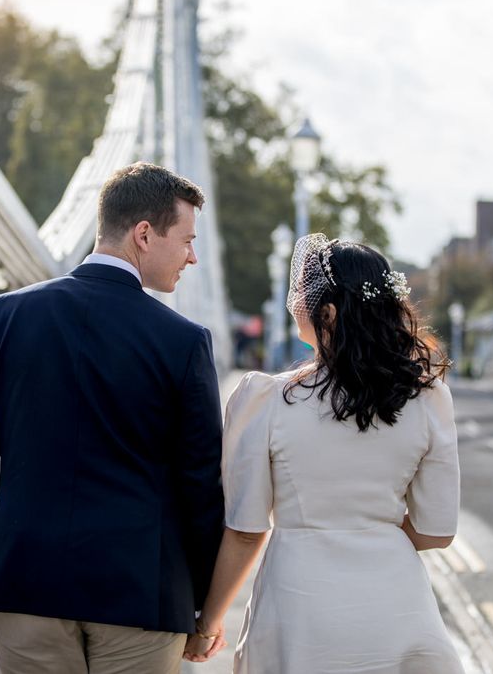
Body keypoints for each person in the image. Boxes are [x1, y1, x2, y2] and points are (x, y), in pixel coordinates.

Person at [0, 162, 225, 674]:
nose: (193, 256)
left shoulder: (3, 317)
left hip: (27, 582)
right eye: (186, 240)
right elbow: (200, 484)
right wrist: (204, 604)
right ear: (143, 235)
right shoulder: (183, 341)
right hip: (142, 592)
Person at [185, 234, 464, 673]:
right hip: (396, 606)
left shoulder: (267, 400)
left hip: (300, 609)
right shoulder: (428, 398)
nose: (296, 301)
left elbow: (245, 531)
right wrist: (370, 530)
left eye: (303, 293)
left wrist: (207, 624)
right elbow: (437, 532)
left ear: (328, 313)